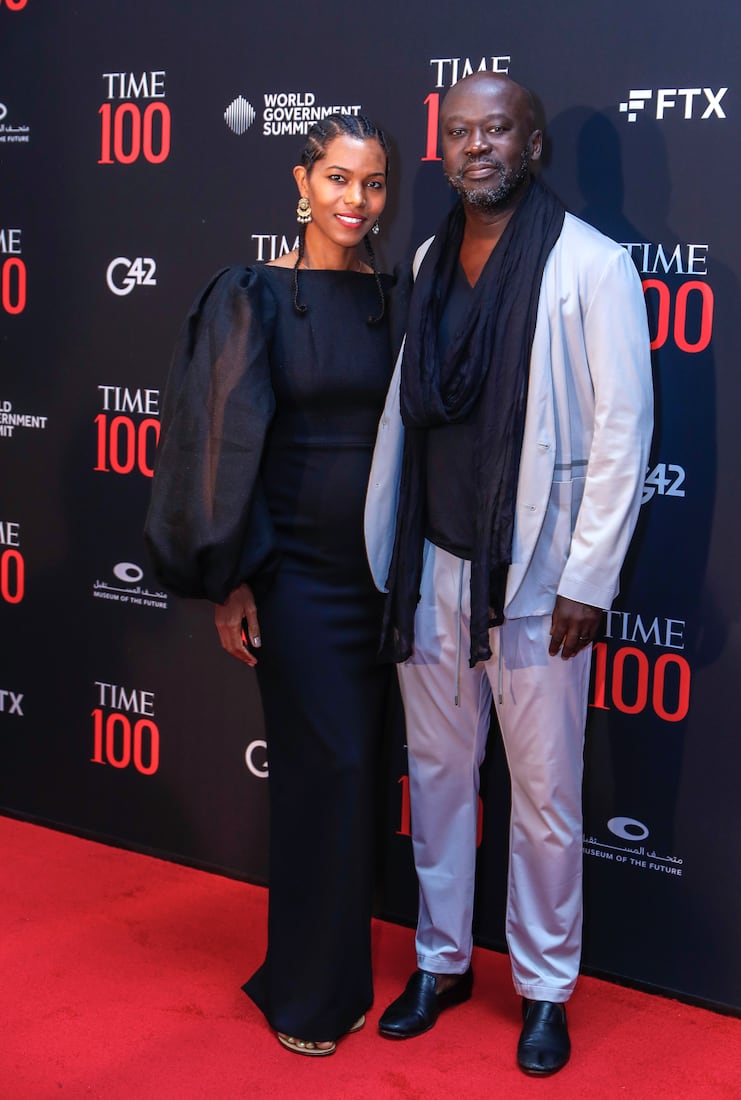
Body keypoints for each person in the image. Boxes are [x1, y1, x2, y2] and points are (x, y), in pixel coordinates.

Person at [364, 73, 653, 1076]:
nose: (473, 145)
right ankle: (440, 961)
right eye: (457, 131)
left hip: (536, 580)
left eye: (495, 129)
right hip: (431, 566)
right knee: (438, 781)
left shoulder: (591, 266)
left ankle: (542, 986)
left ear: (531, 144)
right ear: (438, 147)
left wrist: (589, 578)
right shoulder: (429, 258)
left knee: (542, 796)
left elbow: (621, 434)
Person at [145, 114, 395, 1057]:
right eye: (337, 179)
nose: (354, 202)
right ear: (302, 180)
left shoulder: (392, 297)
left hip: (380, 577)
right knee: (319, 774)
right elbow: (219, 445)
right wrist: (233, 580)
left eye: (371, 186)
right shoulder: (249, 293)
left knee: (355, 775)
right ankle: (307, 993)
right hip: (293, 578)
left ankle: (329, 969)